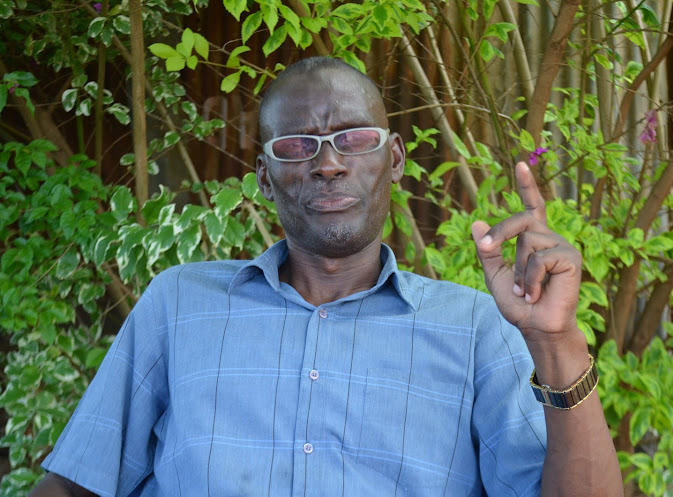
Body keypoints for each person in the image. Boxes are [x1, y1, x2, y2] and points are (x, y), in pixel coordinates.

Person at [30, 56, 623, 497]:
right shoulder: (181, 305)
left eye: (353, 138)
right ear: (264, 177)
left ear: (393, 158)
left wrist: (555, 343)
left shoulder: (472, 329)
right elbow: (71, 486)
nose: (328, 163)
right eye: (297, 146)